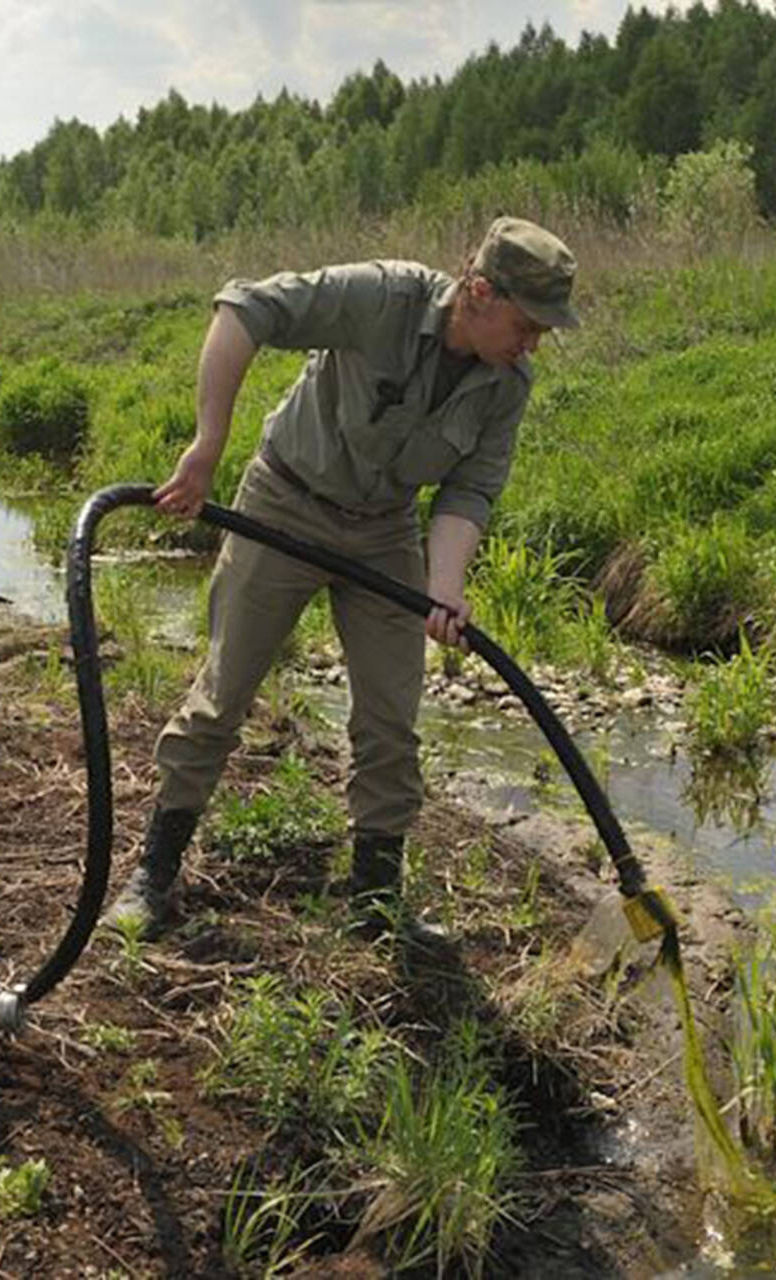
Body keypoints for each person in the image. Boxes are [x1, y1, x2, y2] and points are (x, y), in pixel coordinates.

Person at [104, 215, 579, 941]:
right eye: (528, 323)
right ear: (479, 292)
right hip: (285, 503)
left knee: (390, 718)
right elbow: (243, 309)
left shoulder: (507, 384)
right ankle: (154, 876)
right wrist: (207, 447)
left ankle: (375, 903)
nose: (534, 342)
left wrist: (444, 588)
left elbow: (467, 493)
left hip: (384, 530)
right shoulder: (382, 297)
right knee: (223, 695)